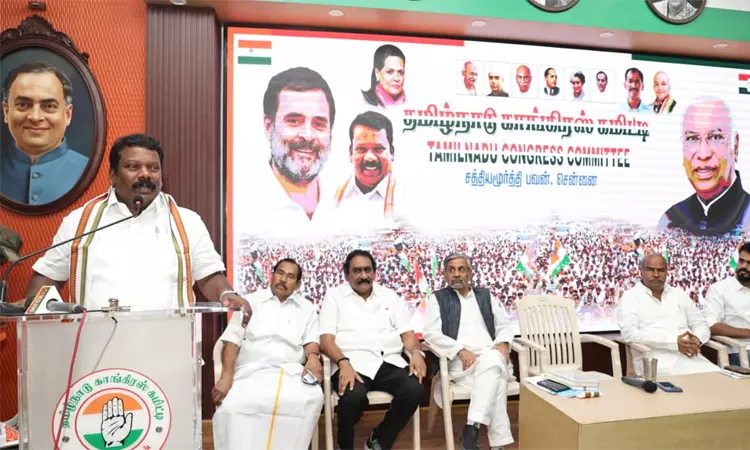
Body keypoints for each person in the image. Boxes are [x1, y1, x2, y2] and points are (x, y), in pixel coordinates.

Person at [25, 133, 251, 322]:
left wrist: (225, 293)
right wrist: (35, 306)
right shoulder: (80, 222)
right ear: (113, 175)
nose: (145, 174)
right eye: (133, 167)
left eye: (153, 168)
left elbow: (209, 277)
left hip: (168, 349)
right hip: (94, 350)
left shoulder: (187, 221)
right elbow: (47, 277)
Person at [319, 250, 426, 450]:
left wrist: (416, 352)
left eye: (367, 270)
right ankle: (344, 446)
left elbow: (407, 334)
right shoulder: (334, 297)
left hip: (387, 362)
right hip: (351, 363)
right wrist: (342, 362)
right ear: (347, 274)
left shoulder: (389, 295)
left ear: (374, 273)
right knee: (352, 398)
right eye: (357, 271)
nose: (363, 275)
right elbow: (326, 340)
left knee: (415, 389)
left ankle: (379, 440)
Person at [212, 258, 324, 450]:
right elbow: (232, 341)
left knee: (310, 398)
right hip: (251, 371)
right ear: (272, 275)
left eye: (290, 277)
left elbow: (311, 341)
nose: (283, 279)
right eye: (280, 273)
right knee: (233, 405)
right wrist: (226, 376)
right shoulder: (249, 302)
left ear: (298, 284)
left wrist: (313, 357)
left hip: (290, 372)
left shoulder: (307, 308)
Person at [423, 253, 514, 450]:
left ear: (470, 273)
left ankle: (471, 428)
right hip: (462, 364)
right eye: (451, 270)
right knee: (496, 380)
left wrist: (503, 342)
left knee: (492, 360)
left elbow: (504, 325)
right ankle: (495, 443)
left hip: (491, 356)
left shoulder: (486, 296)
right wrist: (459, 349)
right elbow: (431, 333)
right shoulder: (437, 299)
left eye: (461, 269)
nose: (456, 274)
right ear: (445, 274)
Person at [240, 67, 337, 236]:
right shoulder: (244, 206)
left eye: (319, 124)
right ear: (268, 127)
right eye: (294, 121)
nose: (308, 135)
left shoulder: (343, 203)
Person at [616, 253, 719, 377]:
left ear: (667, 272)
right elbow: (630, 334)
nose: (656, 274)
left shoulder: (678, 294)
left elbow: (701, 324)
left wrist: (696, 340)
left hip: (690, 356)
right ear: (641, 271)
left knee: (724, 378)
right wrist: (673, 342)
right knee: (706, 380)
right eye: (650, 269)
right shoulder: (630, 297)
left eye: (661, 270)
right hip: (655, 360)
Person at [659, 97, 748, 236]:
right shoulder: (671, 220)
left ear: (735, 145)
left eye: (716, 137)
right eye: (692, 138)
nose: (703, 154)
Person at [1, 62, 87, 205]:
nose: (35, 117)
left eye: (49, 106)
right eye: (23, 104)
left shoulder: (90, 171)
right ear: (6, 112)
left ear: (67, 115)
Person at [333, 111, 400, 225]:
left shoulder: (407, 199)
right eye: (361, 149)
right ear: (351, 153)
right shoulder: (330, 198)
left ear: (392, 152)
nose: (370, 158)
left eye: (378, 149)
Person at [703, 242, 750, 366]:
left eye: (749, 263)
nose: (744, 266)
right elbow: (711, 325)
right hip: (740, 351)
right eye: (741, 261)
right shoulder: (719, 289)